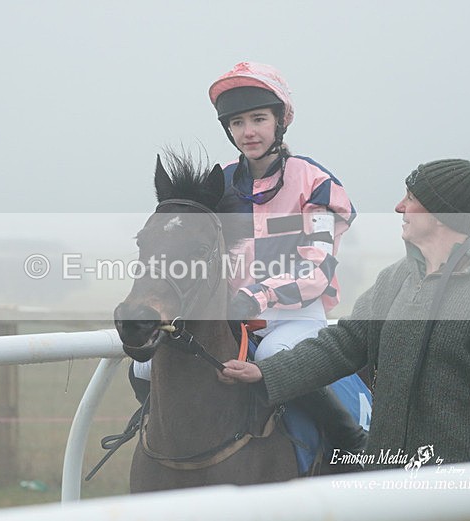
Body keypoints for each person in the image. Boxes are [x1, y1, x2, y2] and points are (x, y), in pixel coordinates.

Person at [222, 159, 470, 521]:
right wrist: (265, 371)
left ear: (439, 214)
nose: (399, 207)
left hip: (458, 501)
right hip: (385, 492)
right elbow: (341, 345)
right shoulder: (395, 280)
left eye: (410, 198)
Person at [130, 61, 369, 466]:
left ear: (281, 121)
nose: (249, 132)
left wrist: (256, 296)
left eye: (259, 119)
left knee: (274, 355)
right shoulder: (217, 183)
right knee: (143, 369)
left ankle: (350, 443)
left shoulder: (316, 182)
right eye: (238, 123)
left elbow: (317, 271)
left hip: (293, 316)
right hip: (229, 317)